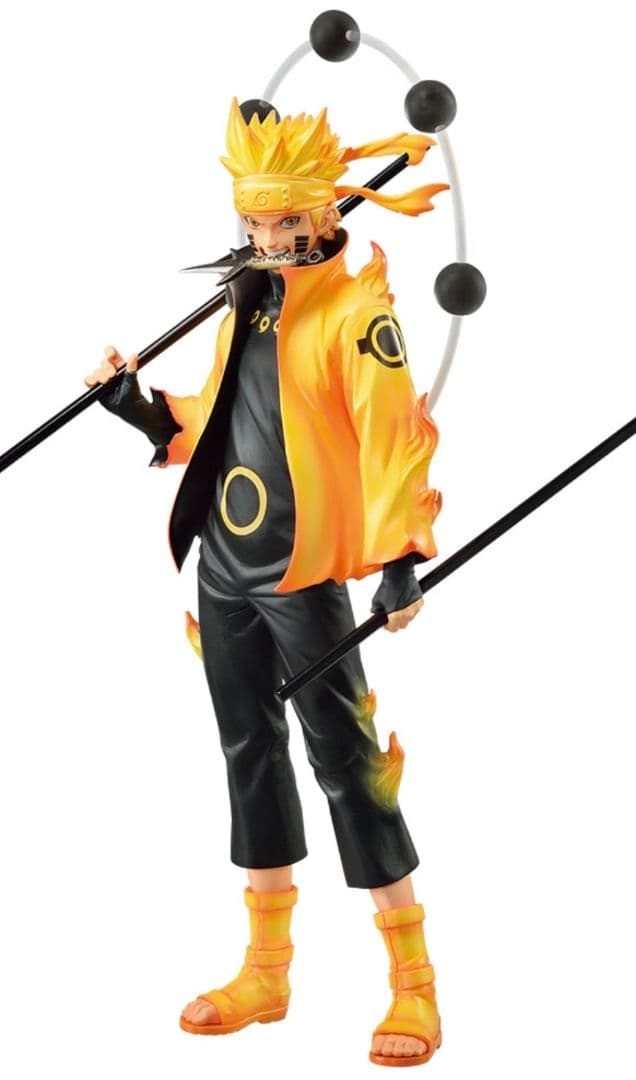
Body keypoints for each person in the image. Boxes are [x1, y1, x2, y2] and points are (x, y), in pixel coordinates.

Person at [85, 98, 447, 1067]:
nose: (268, 237)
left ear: (326, 211)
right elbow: (221, 419)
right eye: (253, 221)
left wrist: (401, 559)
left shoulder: (357, 318)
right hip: (226, 566)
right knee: (247, 750)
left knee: (349, 763)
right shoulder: (247, 302)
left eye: (286, 221)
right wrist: (137, 408)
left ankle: (413, 981)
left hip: (302, 571)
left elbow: (392, 441)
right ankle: (267, 970)